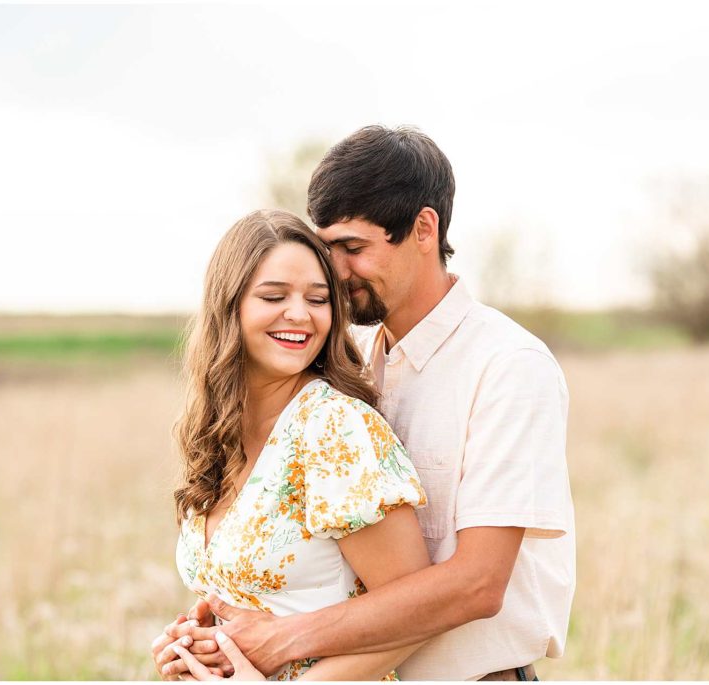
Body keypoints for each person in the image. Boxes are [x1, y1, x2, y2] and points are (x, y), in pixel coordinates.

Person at [157, 126, 576, 681]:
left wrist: (281, 640)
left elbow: (477, 584)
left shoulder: (507, 367)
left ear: (424, 229)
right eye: (327, 248)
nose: (335, 271)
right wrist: (212, 640)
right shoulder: (339, 354)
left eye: (353, 249)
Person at [156, 209, 433, 680]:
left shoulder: (334, 428)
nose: (300, 314)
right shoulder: (218, 432)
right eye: (274, 296)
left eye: (318, 299)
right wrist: (193, 646)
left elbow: (416, 617)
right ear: (229, 306)